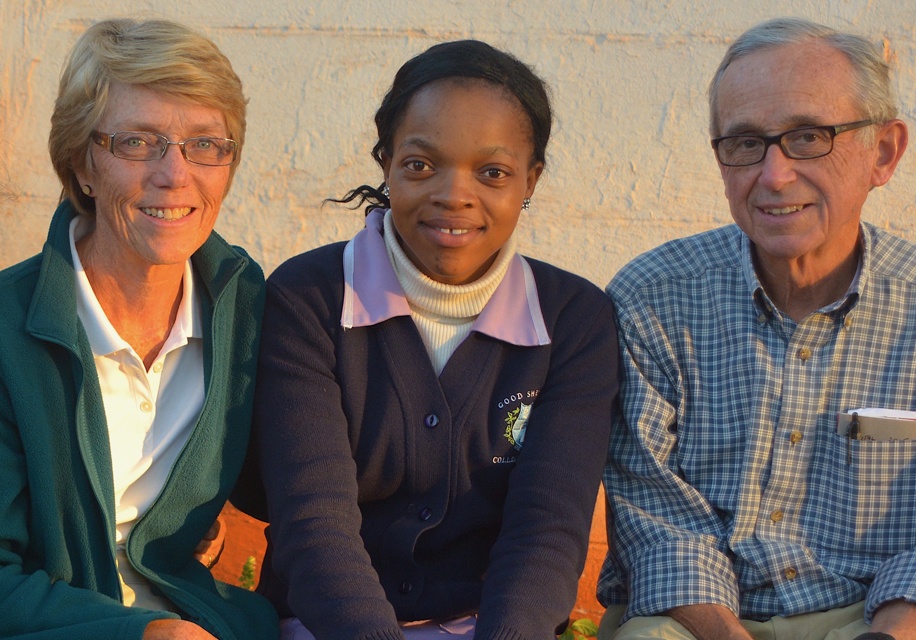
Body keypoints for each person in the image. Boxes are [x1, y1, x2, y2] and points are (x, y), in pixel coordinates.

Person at [234, 39, 619, 640]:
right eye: (420, 164)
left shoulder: (573, 320)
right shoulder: (307, 299)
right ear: (385, 162)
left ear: (531, 179)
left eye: (492, 172)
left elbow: (546, 531)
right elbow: (314, 525)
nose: (454, 194)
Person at [598, 17, 916, 640]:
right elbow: (653, 516)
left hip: (882, 617)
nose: (774, 175)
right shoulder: (651, 300)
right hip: (698, 617)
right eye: (744, 143)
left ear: (884, 152)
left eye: (808, 137)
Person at [0, 18, 278, 640]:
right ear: (83, 165)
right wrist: (146, 635)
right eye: (136, 142)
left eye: (205, 144)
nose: (174, 174)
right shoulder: (6, 332)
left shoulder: (246, 309)